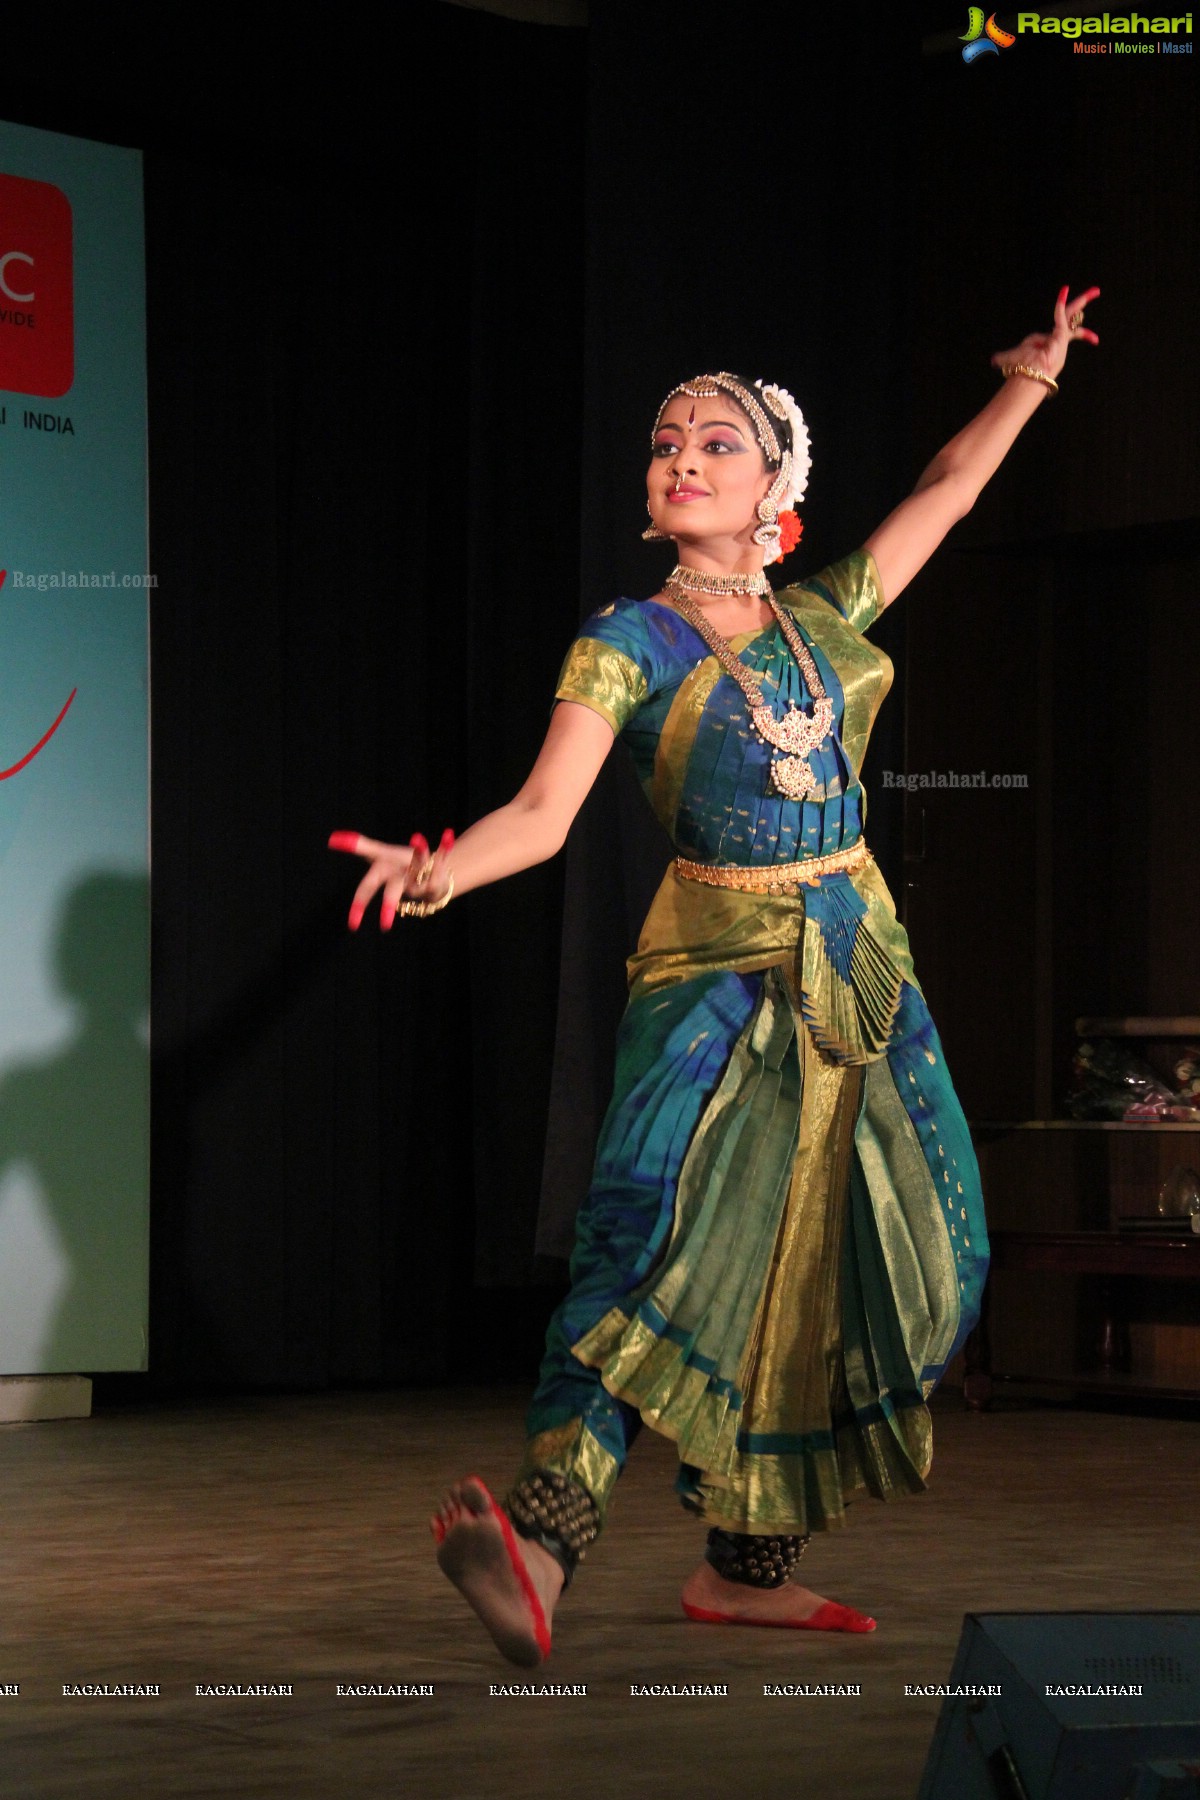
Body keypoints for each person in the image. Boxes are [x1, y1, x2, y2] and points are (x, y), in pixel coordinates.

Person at [330, 285, 1099, 1668]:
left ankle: (750, 1568)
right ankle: (544, 1541)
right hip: (716, 975)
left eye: (716, 444)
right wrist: (439, 867)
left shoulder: (830, 617)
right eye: (664, 443)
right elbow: (542, 815)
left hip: (862, 973)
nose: (681, 457)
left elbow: (949, 488)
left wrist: (1033, 379)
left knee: (897, 1260)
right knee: (648, 1231)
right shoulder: (625, 641)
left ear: (773, 493)